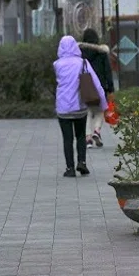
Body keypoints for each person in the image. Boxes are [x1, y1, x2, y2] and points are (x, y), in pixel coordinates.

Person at [54, 35, 107, 178]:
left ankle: (69, 168)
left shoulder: (57, 64)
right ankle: (82, 162)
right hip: (79, 106)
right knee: (81, 136)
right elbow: (96, 83)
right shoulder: (82, 62)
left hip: (63, 107)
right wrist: (103, 103)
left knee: (67, 139)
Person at [79, 28, 114, 148]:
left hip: (85, 86)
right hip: (101, 86)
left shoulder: (80, 52)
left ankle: (88, 139)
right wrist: (111, 88)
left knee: (87, 112)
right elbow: (108, 71)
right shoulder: (102, 52)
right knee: (100, 110)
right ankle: (97, 131)